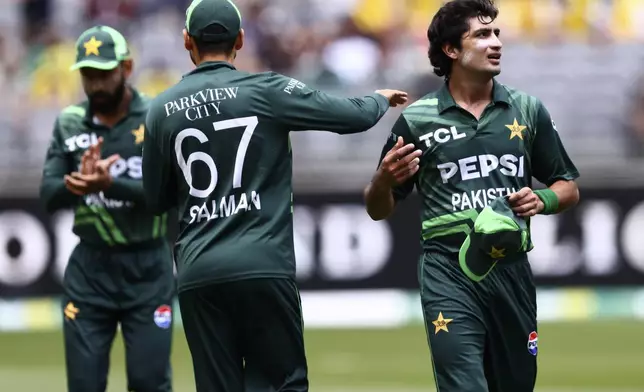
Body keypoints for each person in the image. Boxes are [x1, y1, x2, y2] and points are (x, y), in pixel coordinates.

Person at [141, 0, 407, 390]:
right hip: (263, 263)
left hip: (199, 272)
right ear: (241, 40)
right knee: (284, 384)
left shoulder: (161, 109)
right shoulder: (267, 89)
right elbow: (353, 117)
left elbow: (154, 199)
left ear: (187, 42)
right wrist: (379, 98)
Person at [363, 1, 580, 391]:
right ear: (451, 50)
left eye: (496, 33)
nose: (496, 42)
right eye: (482, 34)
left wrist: (543, 200)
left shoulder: (528, 110)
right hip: (448, 274)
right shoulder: (417, 119)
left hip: (511, 273)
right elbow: (379, 209)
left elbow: (567, 186)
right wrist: (380, 182)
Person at [39, 25, 174, 392]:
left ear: (126, 68)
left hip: (149, 271)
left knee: (150, 383)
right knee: (84, 385)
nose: (96, 84)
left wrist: (110, 184)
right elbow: (49, 195)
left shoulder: (157, 117)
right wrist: (78, 184)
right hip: (90, 273)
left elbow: (168, 194)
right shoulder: (69, 122)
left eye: (104, 74)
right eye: (88, 75)